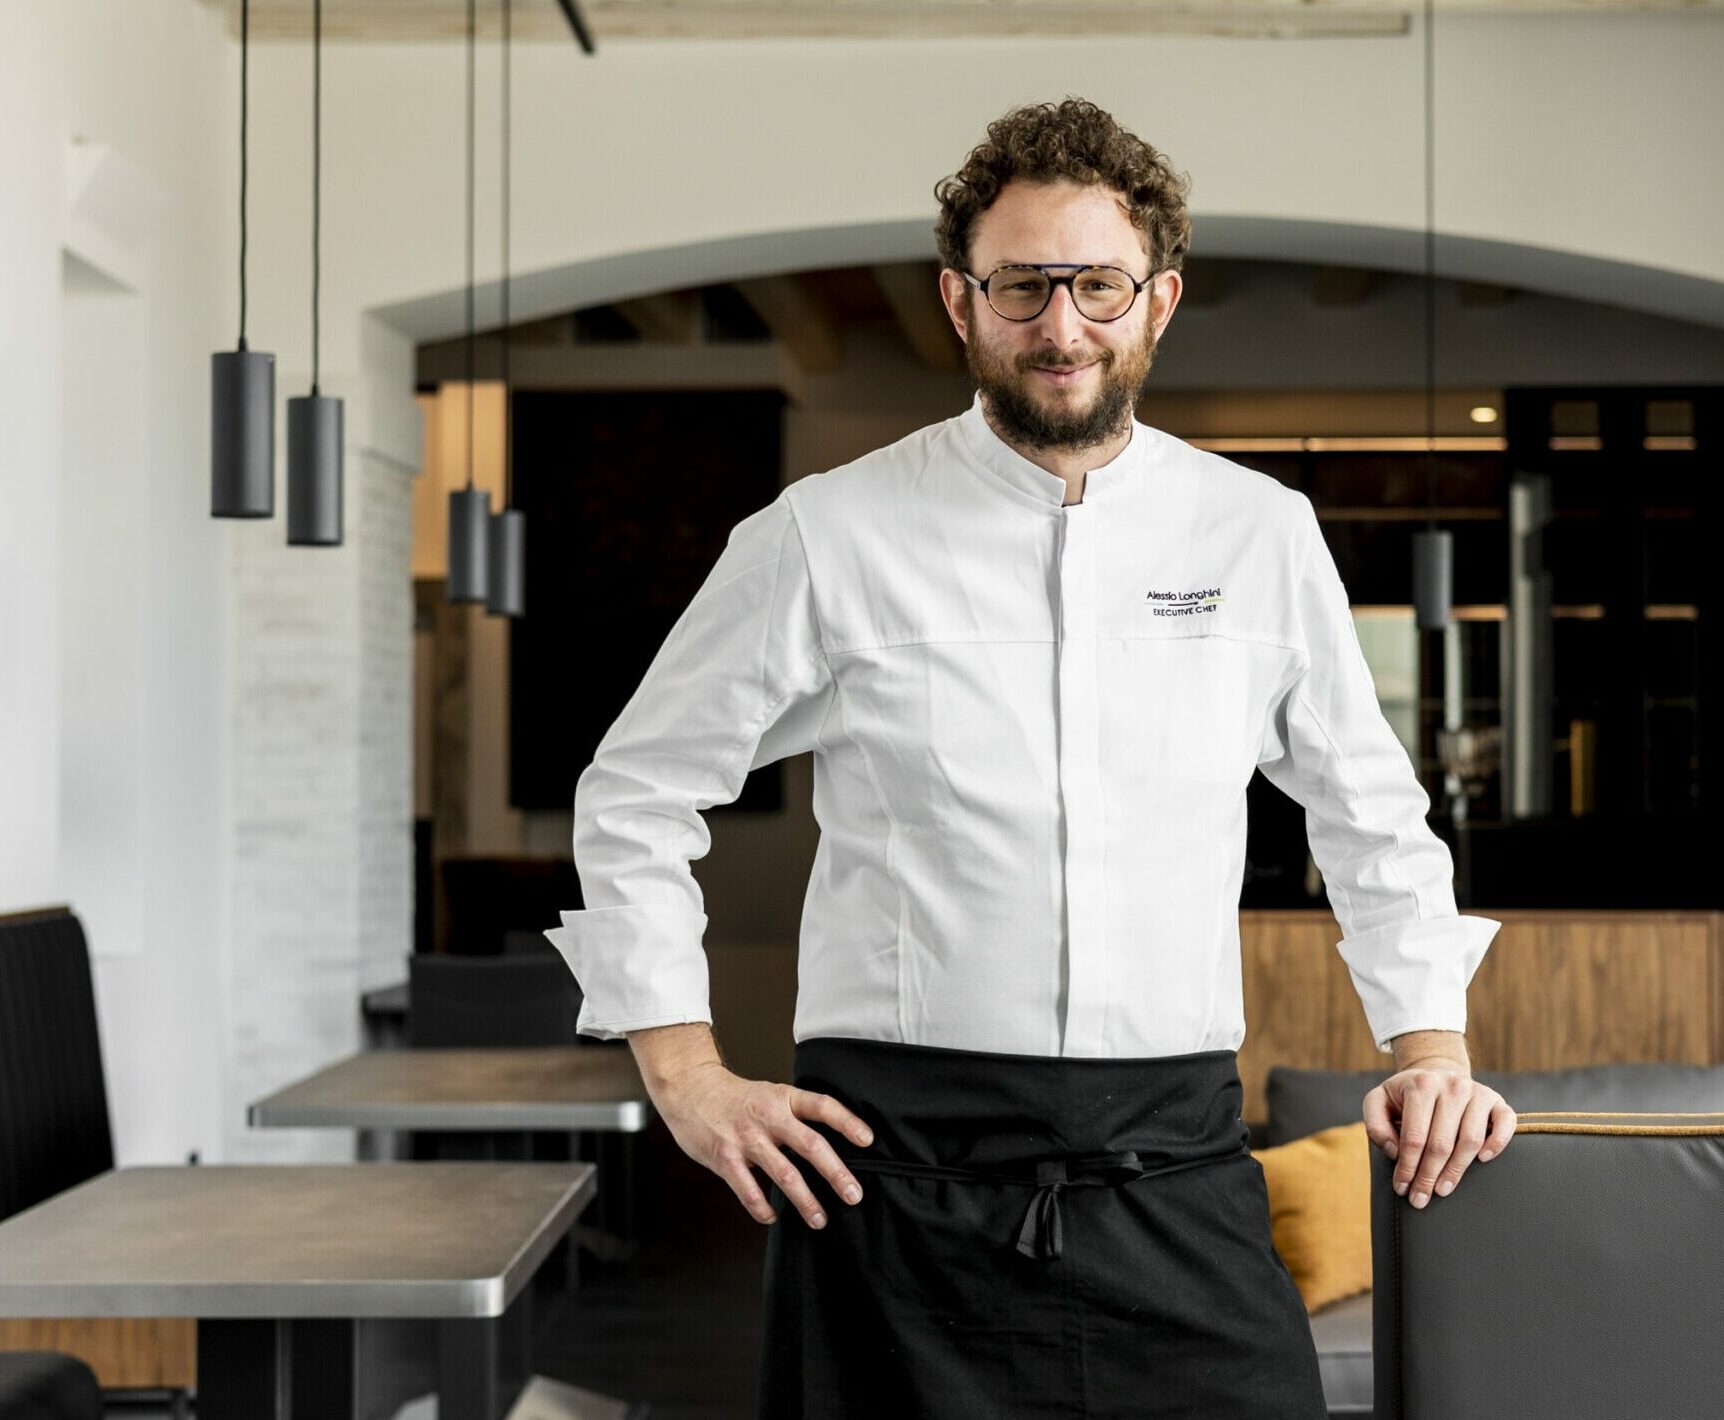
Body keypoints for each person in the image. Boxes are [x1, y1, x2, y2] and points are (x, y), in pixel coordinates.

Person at [543, 96, 1512, 1419]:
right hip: (891, 1179)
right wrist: (688, 1078)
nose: (1062, 327)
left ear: (1158, 300)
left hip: (1176, 1164)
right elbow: (638, 792)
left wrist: (1431, 1050)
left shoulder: (1258, 533)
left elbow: (1371, 816)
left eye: (1098, 285)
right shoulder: (827, 532)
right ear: (962, 300)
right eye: (1021, 287)